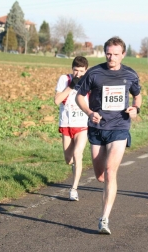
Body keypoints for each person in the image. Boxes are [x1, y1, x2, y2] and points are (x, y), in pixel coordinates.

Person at [75, 36, 142, 235]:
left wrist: (136, 108)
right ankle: (105, 196)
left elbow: (137, 95)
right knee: (100, 175)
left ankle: (104, 219)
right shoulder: (94, 73)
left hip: (119, 127)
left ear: (123, 54)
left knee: (111, 171)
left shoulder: (130, 74)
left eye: (115, 54)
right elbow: (79, 96)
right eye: (108, 53)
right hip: (97, 128)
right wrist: (89, 112)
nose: (111, 57)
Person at [54, 56, 89, 201]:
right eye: (76, 70)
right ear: (72, 69)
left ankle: (74, 189)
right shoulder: (64, 79)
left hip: (82, 125)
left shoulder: (89, 81)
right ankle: (74, 165)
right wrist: (71, 86)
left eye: (81, 71)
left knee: (77, 153)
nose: (78, 74)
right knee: (69, 160)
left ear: (86, 71)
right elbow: (56, 101)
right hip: (67, 124)